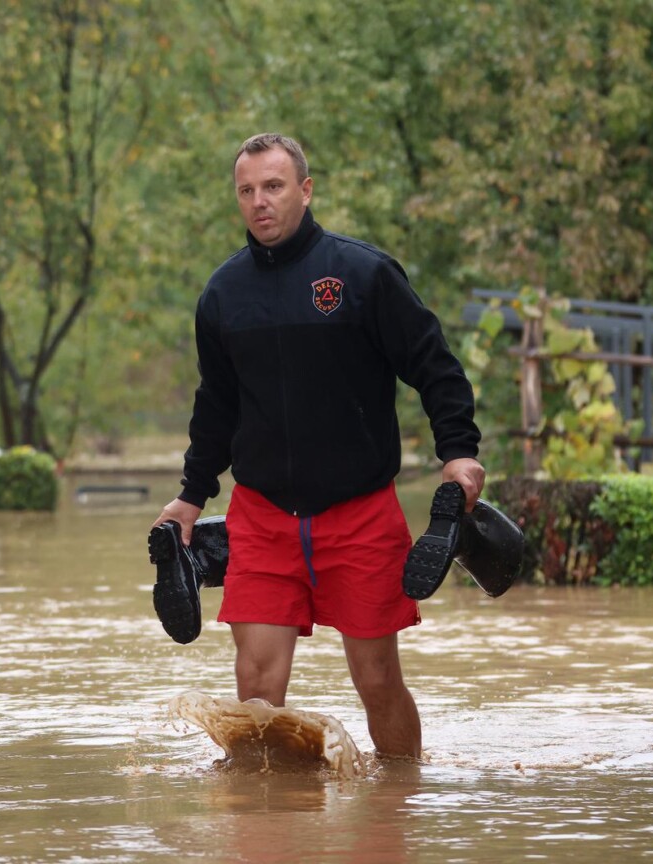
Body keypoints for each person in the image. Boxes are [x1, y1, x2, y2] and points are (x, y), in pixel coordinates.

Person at [151, 132, 485, 760]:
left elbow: (435, 367)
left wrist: (458, 451)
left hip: (360, 513)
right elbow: (215, 406)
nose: (260, 202)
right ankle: (263, 830)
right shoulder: (222, 295)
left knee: (378, 680)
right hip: (264, 516)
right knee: (255, 687)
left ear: (305, 190)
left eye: (273, 187)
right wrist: (190, 497)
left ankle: (399, 804)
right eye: (246, 191)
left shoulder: (365, 274)